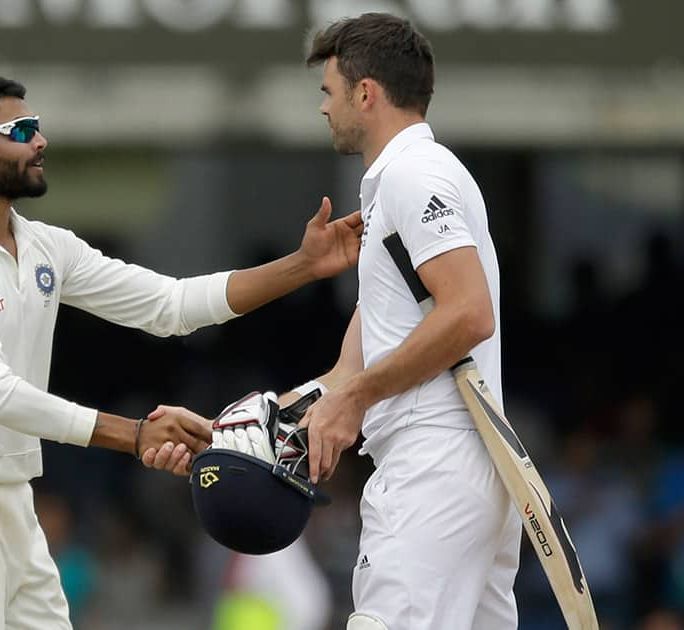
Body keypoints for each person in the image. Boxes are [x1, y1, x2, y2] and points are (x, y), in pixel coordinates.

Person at [0, 75, 363, 630]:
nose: (40, 142)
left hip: (10, 495)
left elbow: (170, 305)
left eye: (37, 127)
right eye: (21, 130)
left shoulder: (45, 247)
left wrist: (302, 266)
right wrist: (132, 435)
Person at [144, 13, 522, 630]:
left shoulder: (414, 174)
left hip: (436, 459)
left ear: (365, 93)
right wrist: (230, 435)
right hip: (455, 461)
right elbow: (349, 371)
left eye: (328, 91)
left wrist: (358, 398)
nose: (323, 108)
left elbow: (469, 312)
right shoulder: (389, 189)